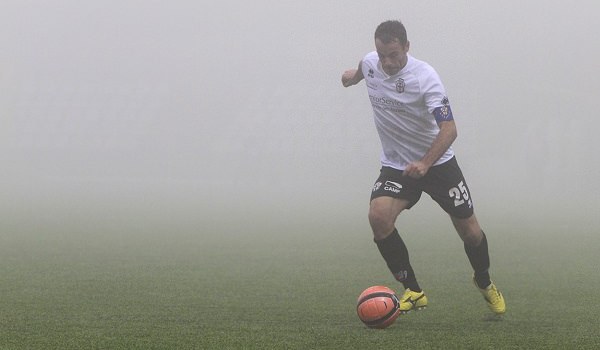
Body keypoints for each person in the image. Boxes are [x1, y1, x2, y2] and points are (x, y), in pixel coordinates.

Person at [341, 20, 505, 315]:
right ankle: (414, 291)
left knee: (471, 233)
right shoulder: (370, 63)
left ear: (407, 47)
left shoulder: (425, 77)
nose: (388, 62)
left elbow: (450, 129)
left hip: (438, 163)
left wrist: (425, 162)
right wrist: (351, 77)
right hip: (397, 166)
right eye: (382, 55)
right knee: (378, 217)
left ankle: (483, 281)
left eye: (394, 54)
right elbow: (362, 69)